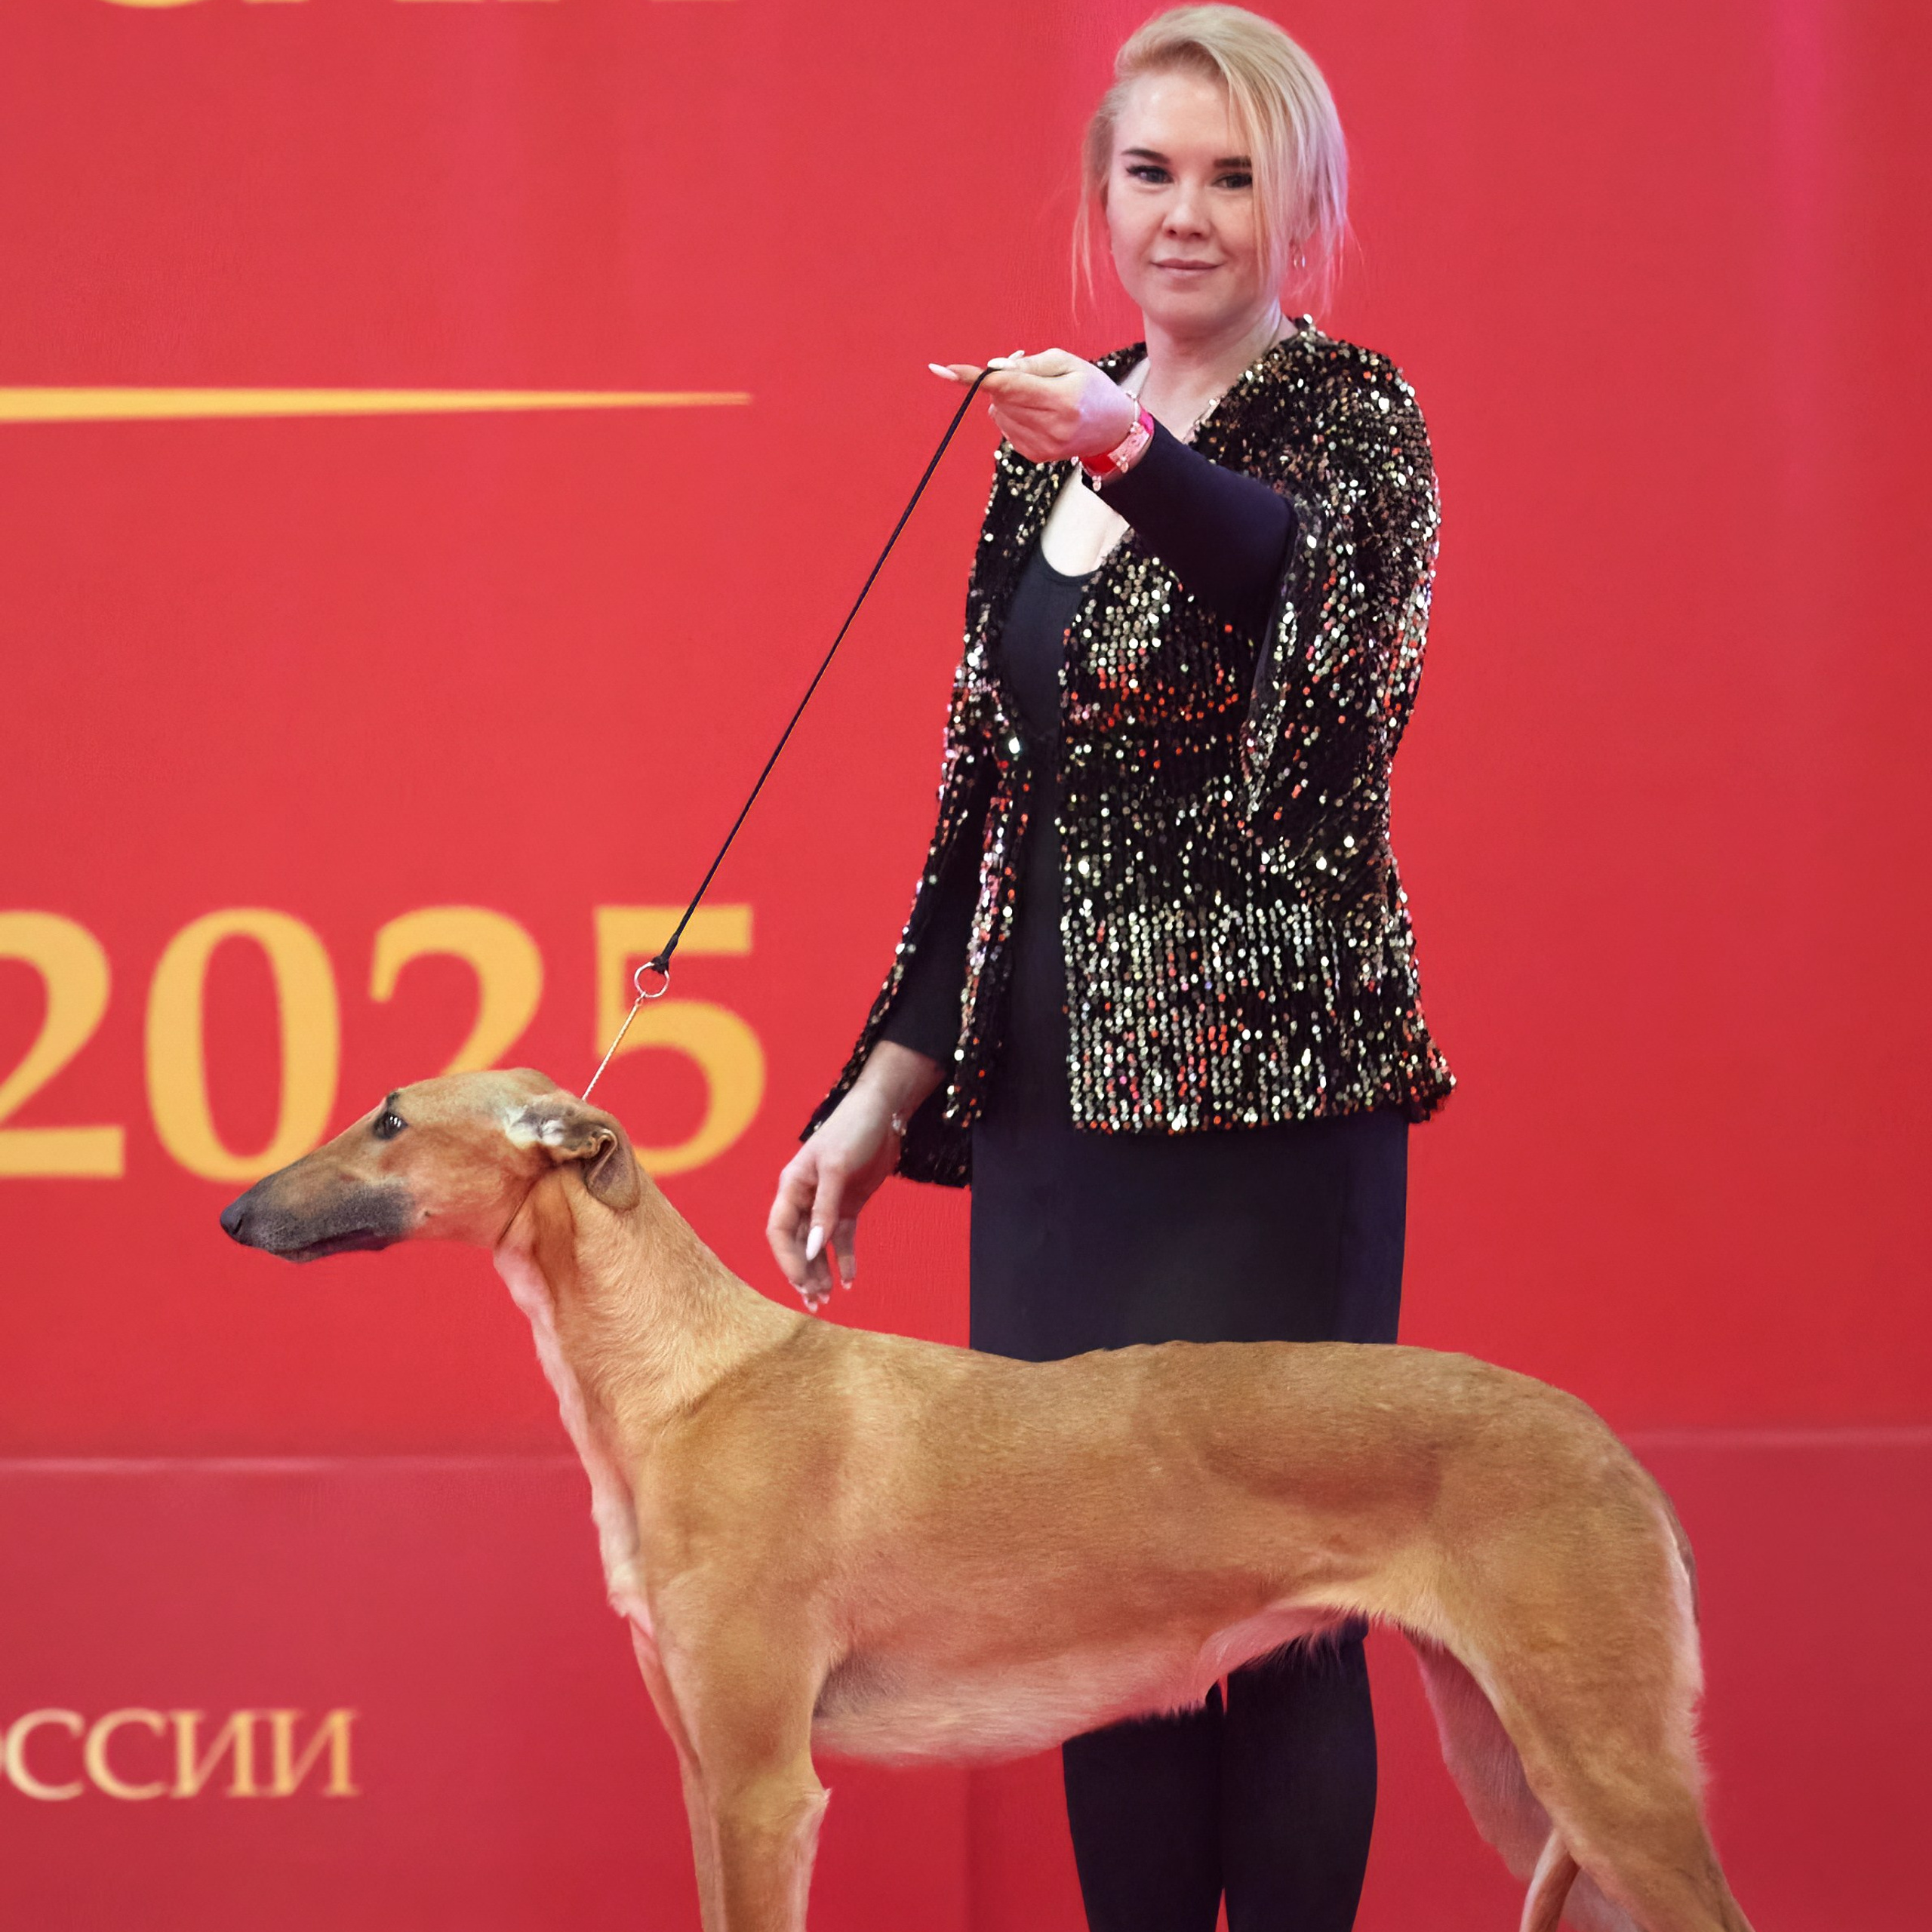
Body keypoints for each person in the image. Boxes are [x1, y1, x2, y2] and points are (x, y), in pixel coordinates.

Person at [766, 8, 1452, 1929]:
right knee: (1090, 1600)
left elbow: (1330, 691)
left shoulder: (1350, 417)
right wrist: (882, 1092)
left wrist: (1131, 448)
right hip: (1056, 1108)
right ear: (1098, 195)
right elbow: (984, 813)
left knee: (1272, 1609)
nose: (1184, 215)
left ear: (1300, 209)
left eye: (1231, 178)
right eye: (1149, 172)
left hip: (1265, 1102)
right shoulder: (1039, 452)